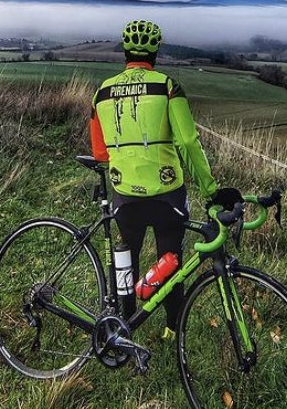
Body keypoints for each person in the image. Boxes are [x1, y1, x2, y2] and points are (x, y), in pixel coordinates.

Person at [89, 19, 240, 339]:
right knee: (171, 259)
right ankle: (172, 328)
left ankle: (125, 325)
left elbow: (100, 153)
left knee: (126, 257)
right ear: (155, 52)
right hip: (167, 195)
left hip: (125, 195)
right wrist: (211, 190)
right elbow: (187, 142)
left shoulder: (101, 93)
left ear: (125, 51)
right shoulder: (167, 86)